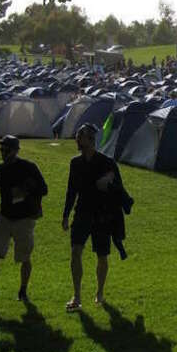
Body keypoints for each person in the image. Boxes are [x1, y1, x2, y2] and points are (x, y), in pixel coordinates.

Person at [62, 124, 132, 311]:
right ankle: (76, 295)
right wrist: (66, 215)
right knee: (76, 252)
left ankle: (100, 292)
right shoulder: (75, 163)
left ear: (91, 140)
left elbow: (120, 189)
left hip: (102, 215)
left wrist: (108, 183)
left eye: (80, 136)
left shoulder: (107, 162)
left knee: (102, 256)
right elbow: (71, 190)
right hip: (82, 213)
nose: (77, 139)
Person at [0, 135, 48, 309]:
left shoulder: (29, 167)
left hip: (25, 219)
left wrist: (22, 191)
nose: (2, 153)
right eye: (1, 149)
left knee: (24, 258)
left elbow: (44, 189)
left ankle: (23, 291)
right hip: (4, 218)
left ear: (15, 151)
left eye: (6, 150)